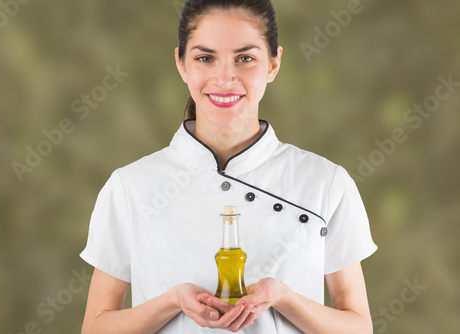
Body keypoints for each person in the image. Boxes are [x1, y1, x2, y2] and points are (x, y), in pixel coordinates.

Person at [80, 0, 378, 333]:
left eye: (245, 58)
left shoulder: (325, 182)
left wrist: (284, 298)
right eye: (205, 58)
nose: (225, 78)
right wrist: (170, 301)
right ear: (181, 64)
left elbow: (358, 328)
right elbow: (96, 327)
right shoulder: (130, 187)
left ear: (273, 64)